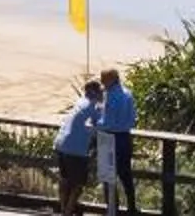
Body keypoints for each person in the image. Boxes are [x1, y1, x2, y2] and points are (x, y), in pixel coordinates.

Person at [55, 78, 105, 216]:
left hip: (61, 144)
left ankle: (64, 210)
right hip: (75, 149)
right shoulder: (94, 106)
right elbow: (103, 124)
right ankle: (67, 212)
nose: (103, 94)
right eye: (101, 91)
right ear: (95, 93)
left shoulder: (79, 102)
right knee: (77, 185)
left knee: (65, 181)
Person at [100, 66, 139, 211]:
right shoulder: (128, 94)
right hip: (125, 138)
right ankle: (132, 208)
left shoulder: (109, 96)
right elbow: (133, 118)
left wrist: (94, 125)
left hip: (110, 138)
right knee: (126, 176)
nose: (102, 82)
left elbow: (107, 122)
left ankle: (112, 210)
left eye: (103, 79)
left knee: (107, 177)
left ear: (111, 80)